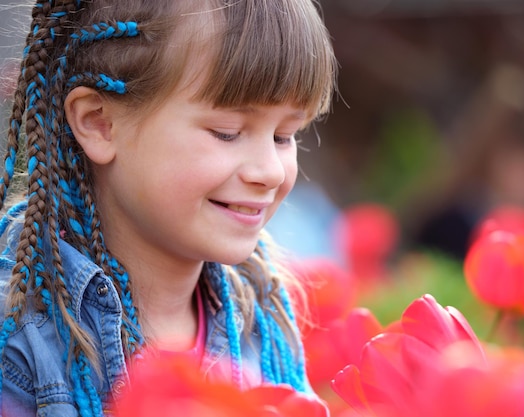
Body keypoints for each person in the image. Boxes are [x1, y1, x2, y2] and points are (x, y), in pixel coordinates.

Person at [0, 0, 337, 416]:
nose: (269, 171)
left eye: (285, 136)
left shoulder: (262, 313)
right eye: (227, 133)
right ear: (99, 123)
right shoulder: (19, 334)